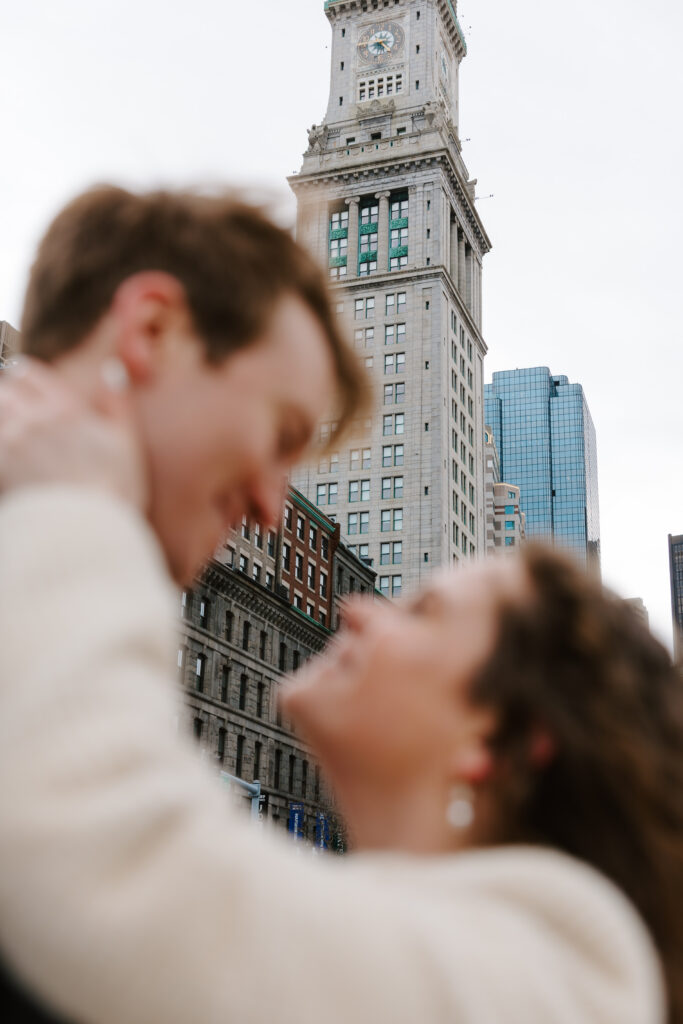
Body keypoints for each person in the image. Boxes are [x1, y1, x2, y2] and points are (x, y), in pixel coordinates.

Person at [0, 187, 679, 1024]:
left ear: (504, 737)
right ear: (149, 332)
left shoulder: (570, 967)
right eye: (282, 431)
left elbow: (122, 872)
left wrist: (73, 517)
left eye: (422, 613)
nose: (271, 509)